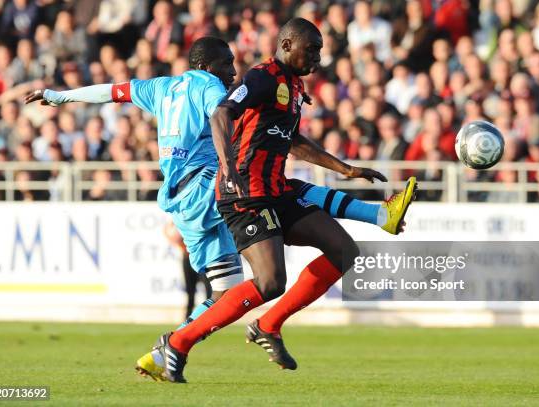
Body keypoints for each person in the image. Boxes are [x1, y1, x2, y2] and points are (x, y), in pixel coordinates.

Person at [24, 35, 416, 382]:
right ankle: (379, 215)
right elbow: (225, 110)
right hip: (212, 187)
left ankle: (169, 351)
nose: (232, 71)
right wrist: (232, 162)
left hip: (179, 202)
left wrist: (59, 96)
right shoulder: (209, 86)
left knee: (226, 290)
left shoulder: (158, 87)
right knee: (283, 190)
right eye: (227, 63)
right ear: (206, 65)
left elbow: (110, 91)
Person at [157, 19, 417, 383]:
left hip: (274, 190)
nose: (318, 56)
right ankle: (178, 343)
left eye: (320, 49)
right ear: (288, 44)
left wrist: (346, 169)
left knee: (343, 251)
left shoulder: (292, 87)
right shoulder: (262, 77)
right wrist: (228, 165)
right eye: (312, 48)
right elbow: (221, 114)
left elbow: (294, 140)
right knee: (269, 282)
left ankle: (268, 325)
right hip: (244, 193)